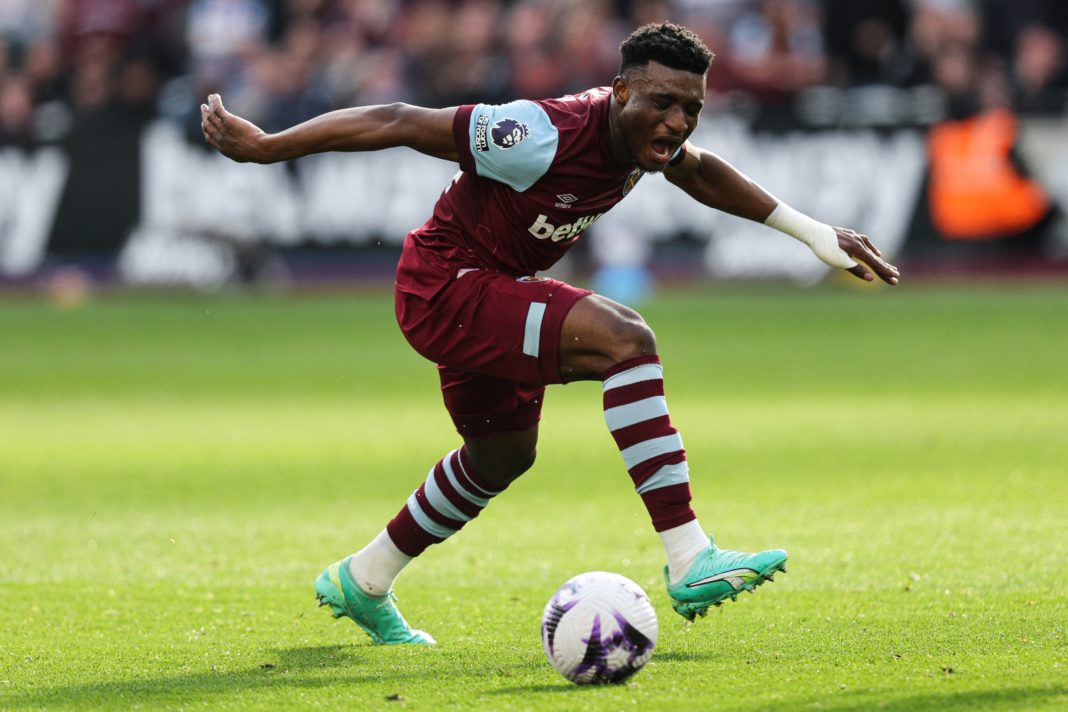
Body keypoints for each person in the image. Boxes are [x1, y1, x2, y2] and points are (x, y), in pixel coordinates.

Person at [201, 22, 900, 645]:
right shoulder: (536, 132)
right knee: (626, 339)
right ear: (621, 90)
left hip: (489, 291)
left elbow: (701, 173)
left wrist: (813, 233)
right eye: (662, 102)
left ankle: (364, 579)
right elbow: (397, 117)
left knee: (502, 455)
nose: (679, 121)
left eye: (692, 107)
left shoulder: (645, 141)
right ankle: (689, 556)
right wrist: (268, 147)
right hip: (446, 285)